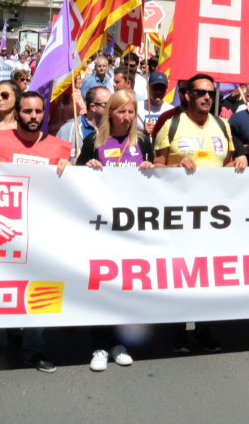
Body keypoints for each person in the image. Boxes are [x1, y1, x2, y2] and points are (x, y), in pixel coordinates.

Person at [0, 92, 72, 375]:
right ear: (17, 113)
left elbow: (72, 191)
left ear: (45, 113)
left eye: (38, 112)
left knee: (41, 291)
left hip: (44, 234)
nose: (33, 117)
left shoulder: (61, 147)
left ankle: (34, 350)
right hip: (5, 232)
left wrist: (71, 170)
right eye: (27, 111)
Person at [154, 73, 247, 352]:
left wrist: (240, 161)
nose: (207, 97)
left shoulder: (223, 126)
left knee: (209, 276)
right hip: (178, 215)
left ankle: (206, 329)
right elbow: (154, 167)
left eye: (211, 93)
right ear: (187, 95)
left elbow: (229, 165)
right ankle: (178, 331)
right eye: (200, 93)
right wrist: (174, 167)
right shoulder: (170, 125)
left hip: (214, 218)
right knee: (180, 274)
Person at [76, 90, 149, 371]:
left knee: (126, 288)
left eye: (131, 112)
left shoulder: (142, 140)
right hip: (101, 227)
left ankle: (120, 344)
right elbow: (75, 175)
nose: (126, 117)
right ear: (110, 113)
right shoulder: (94, 140)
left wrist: (150, 167)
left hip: (132, 227)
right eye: (121, 111)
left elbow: (157, 176)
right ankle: (99, 345)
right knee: (102, 288)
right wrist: (87, 165)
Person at [58, 86, 110, 154]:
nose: (112, 107)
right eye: (107, 104)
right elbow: (56, 159)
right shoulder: (68, 129)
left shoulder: (115, 129)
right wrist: (72, 163)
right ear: (93, 107)